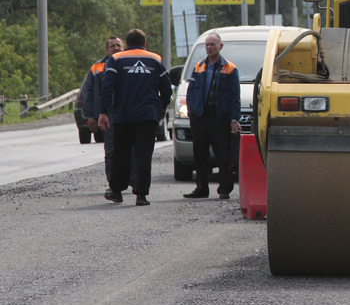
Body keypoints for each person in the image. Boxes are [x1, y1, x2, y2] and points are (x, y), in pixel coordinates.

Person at [98, 29, 172, 206]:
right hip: (147, 116)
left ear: (126, 43)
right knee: (143, 155)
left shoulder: (116, 60)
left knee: (120, 154)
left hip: (123, 115)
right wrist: (161, 107)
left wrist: (104, 112)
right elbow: (167, 88)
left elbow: (107, 88)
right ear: (144, 43)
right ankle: (141, 195)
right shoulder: (155, 59)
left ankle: (116, 191)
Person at [183, 32, 241, 200]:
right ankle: (201, 188)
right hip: (200, 116)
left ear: (220, 46)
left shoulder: (229, 68)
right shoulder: (198, 66)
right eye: (207, 45)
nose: (209, 47)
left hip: (219, 117)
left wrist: (234, 119)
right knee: (199, 154)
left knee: (223, 154)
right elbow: (191, 91)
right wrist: (192, 111)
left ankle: (224, 189)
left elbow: (234, 97)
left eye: (212, 45)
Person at [83, 36, 123, 194]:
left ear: (123, 46)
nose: (115, 48)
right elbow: (89, 92)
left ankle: (132, 180)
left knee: (130, 149)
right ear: (107, 49)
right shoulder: (97, 67)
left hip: (126, 114)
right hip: (107, 115)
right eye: (112, 46)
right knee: (111, 150)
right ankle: (113, 182)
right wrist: (91, 116)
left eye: (118, 45)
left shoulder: (127, 63)